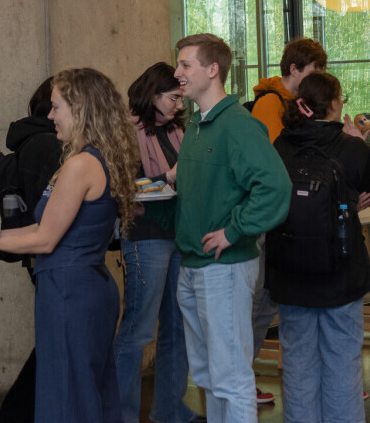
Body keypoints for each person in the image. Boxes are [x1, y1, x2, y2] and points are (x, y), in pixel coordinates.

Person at [0, 67, 137, 423]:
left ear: (79, 109)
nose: (50, 116)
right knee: (85, 390)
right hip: (80, 286)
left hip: (71, 291)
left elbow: (45, 239)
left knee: (68, 396)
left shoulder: (81, 164)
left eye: (56, 107)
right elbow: (41, 227)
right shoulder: (91, 158)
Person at [171, 33, 290, 423]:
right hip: (193, 265)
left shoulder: (238, 124)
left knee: (231, 378)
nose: (178, 73)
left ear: (212, 70)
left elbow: (275, 187)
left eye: (185, 65)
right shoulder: (197, 125)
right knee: (208, 377)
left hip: (223, 267)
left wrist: (233, 230)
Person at [267, 72, 370, 423]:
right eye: (341, 99)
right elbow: (368, 195)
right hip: (340, 273)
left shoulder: (280, 146)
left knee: (298, 363)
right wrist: (359, 143)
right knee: (342, 361)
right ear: (332, 104)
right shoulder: (352, 148)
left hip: (290, 274)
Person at [113, 63, 203, 423]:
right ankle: (120, 414)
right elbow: (122, 187)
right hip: (145, 235)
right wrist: (168, 177)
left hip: (178, 233)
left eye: (181, 99)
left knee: (177, 326)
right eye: (173, 98)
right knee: (138, 329)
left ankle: (169, 409)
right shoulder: (126, 132)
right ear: (152, 95)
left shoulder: (179, 130)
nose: (179, 105)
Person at [246, 37, 326, 404]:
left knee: (267, 302)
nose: (318, 78)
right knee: (259, 302)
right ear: (294, 69)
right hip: (269, 218)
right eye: (314, 71)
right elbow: (276, 161)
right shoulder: (270, 104)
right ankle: (241, 378)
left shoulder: (293, 104)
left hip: (285, 217)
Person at [0, 78, 63, 423]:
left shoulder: (33, 141)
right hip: (53, 259)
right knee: (55, 347)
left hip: (44, 256)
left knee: (53, 345)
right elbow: (46, 217)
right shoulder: (49, 146)